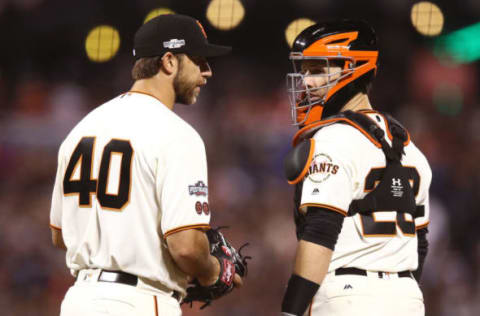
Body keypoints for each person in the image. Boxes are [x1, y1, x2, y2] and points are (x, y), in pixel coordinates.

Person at [49, 14, 242, 316]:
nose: (207, 72)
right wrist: (215, 270)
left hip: (79, 301)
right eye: (199, 59)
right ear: (169, 61)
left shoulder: (80, 130)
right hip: (138, 302)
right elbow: (188, 247)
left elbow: (61, 235)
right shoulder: (178, 134)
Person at [280, 20, 431, 316]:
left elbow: (320, 234)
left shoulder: (332, 139)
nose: (306, 82)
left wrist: (291, 310)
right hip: (408, 298)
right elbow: (419, 247)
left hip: (346, 297)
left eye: (317, 69)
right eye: (305, 71)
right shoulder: (413, 150)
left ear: (353, 67)